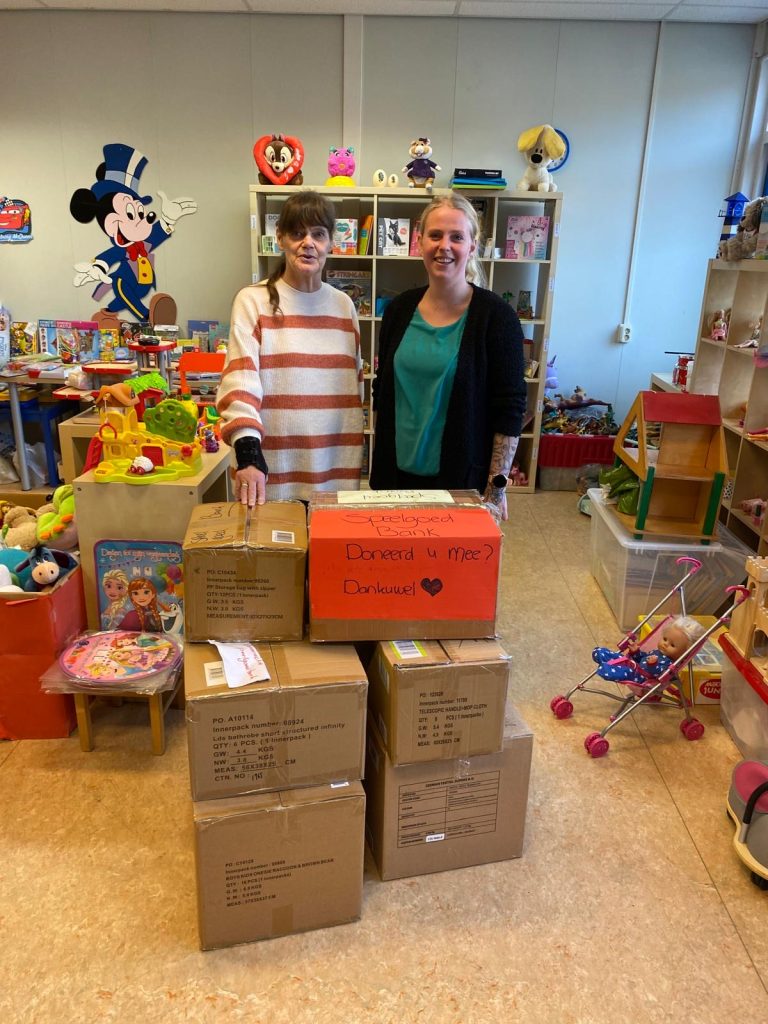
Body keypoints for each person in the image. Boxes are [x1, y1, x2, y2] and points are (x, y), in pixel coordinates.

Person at [369, 193, 527, 521]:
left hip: (462, 484)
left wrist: (496, 489)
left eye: (457, 237)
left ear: (472, 246)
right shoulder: (398, 310)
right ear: (420, 242)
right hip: (393, 480)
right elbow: (381, 391)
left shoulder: (496, 317)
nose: (445, 246)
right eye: (435, 235)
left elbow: (510, 410)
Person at [216, 190, 364, 506]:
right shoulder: (253, 301)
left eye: (318, 234)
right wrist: (248, 454)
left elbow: (353, 391)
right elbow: (240, 382)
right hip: (269, 475)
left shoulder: (344, 306)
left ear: (331, 242)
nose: (308, 243)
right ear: (280, 238)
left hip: (333, 474)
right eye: (297, 233)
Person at [591, 616, 705, 684]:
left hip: (640, 677)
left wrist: (652, 665)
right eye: (665, 639)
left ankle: (607, 668)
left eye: (672, 645)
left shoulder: (669, 664)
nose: (665, 644)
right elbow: (642, 658)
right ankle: (602, 655)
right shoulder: (657, 652)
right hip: (633, 664)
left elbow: (658, 672)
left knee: (623, 671)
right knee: (606, 653)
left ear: (684, 653)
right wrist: (636, 652)